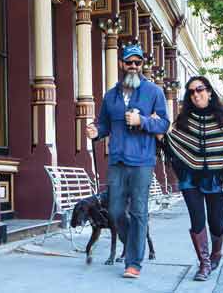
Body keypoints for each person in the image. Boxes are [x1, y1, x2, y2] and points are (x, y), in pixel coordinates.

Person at [86, 43, 168, 280]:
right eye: (129, 62)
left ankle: (133, 262)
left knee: (140, 210)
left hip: (142, 161)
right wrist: (96, 131)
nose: (133, 66)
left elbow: (164, 123)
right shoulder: (110, 96)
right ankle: (134, 242)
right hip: (117, 161)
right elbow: (104, 124)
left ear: (142, 65)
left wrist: (141, 120)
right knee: (114, 210)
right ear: (121, 63)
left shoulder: (154, 92)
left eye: (138, 62)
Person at [163, 75, 223, 282]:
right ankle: (204, 264)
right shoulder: (184, 120)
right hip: (190, 178)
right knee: (197, 220)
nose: (196, 94)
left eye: (200, 89)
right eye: (192, 92)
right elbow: (173, 142)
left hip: (217, 178)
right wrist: (153, 127)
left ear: (209, 91)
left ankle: (216, 254)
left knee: (216, 222)